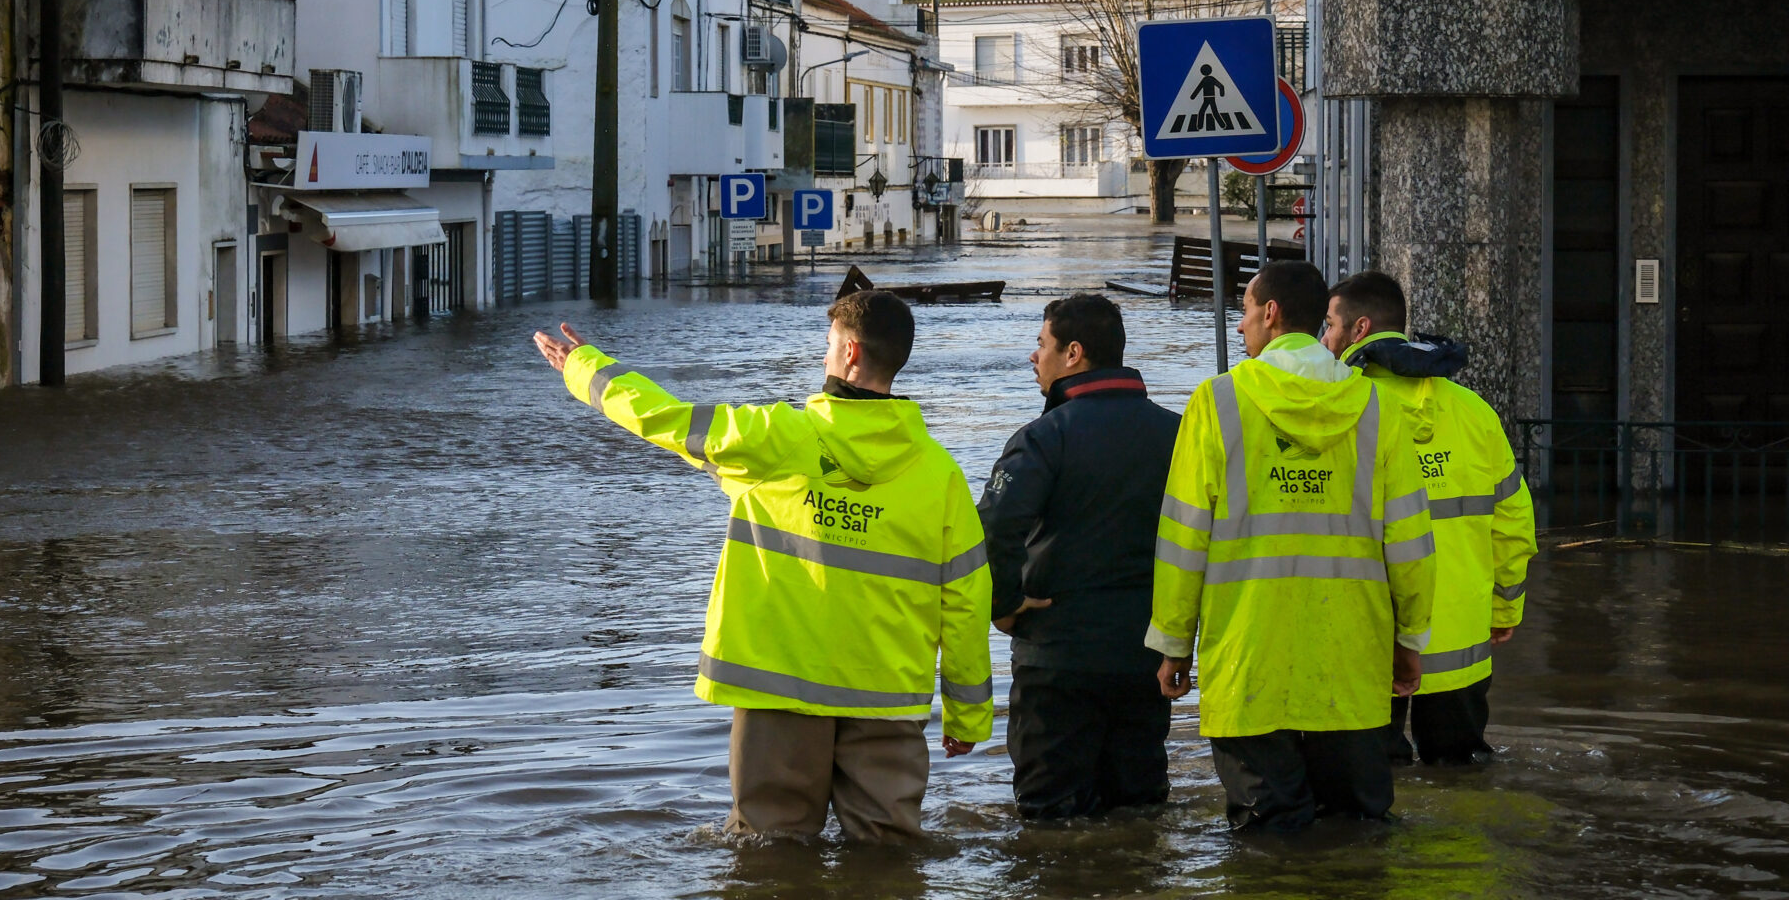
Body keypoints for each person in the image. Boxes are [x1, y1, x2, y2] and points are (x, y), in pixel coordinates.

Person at [531, 290, 992, 843]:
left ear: (849, 354)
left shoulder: (776, 438)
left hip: (780, 693)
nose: (824, 358)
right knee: (887, 853)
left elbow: (669, 419)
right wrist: (967, 718)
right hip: (887, 698)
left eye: (827, 347)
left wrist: (587, 368)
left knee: (769, 853)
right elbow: (966, 602)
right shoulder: (941, 475)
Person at [1147, 260, 1436, 831]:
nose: (1241, 327)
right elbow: (1410, 542)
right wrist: (1409, 639)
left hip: (1247, 659)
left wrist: (1174, 643)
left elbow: (1183, 538)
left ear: (1271, 314)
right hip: (1350, 659)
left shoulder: (1217, 402)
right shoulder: (1376, 408)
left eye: (1245, 312)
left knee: (1267, 841)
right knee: (1358, 833)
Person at [977, 293, 1181, 819]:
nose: (1033, 356)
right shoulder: (1178, 433)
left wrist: (1004, 603)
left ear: (1073, 353)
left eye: (1040, 344)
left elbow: (996, 525)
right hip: (1147, 654)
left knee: (1050, 821)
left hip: (1058, 658)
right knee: (1139, 810)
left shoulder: (1044, 437)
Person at [1323, 271, 1536, 765]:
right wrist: (1504, 610)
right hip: (1461, 642)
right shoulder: (1474, 412)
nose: (1325, 338)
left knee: (1373, 785)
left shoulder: (1342, 410)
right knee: (1462, 782)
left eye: (1330, 325)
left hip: (1371, 641)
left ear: (1359, 330)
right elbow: (1514, 523)